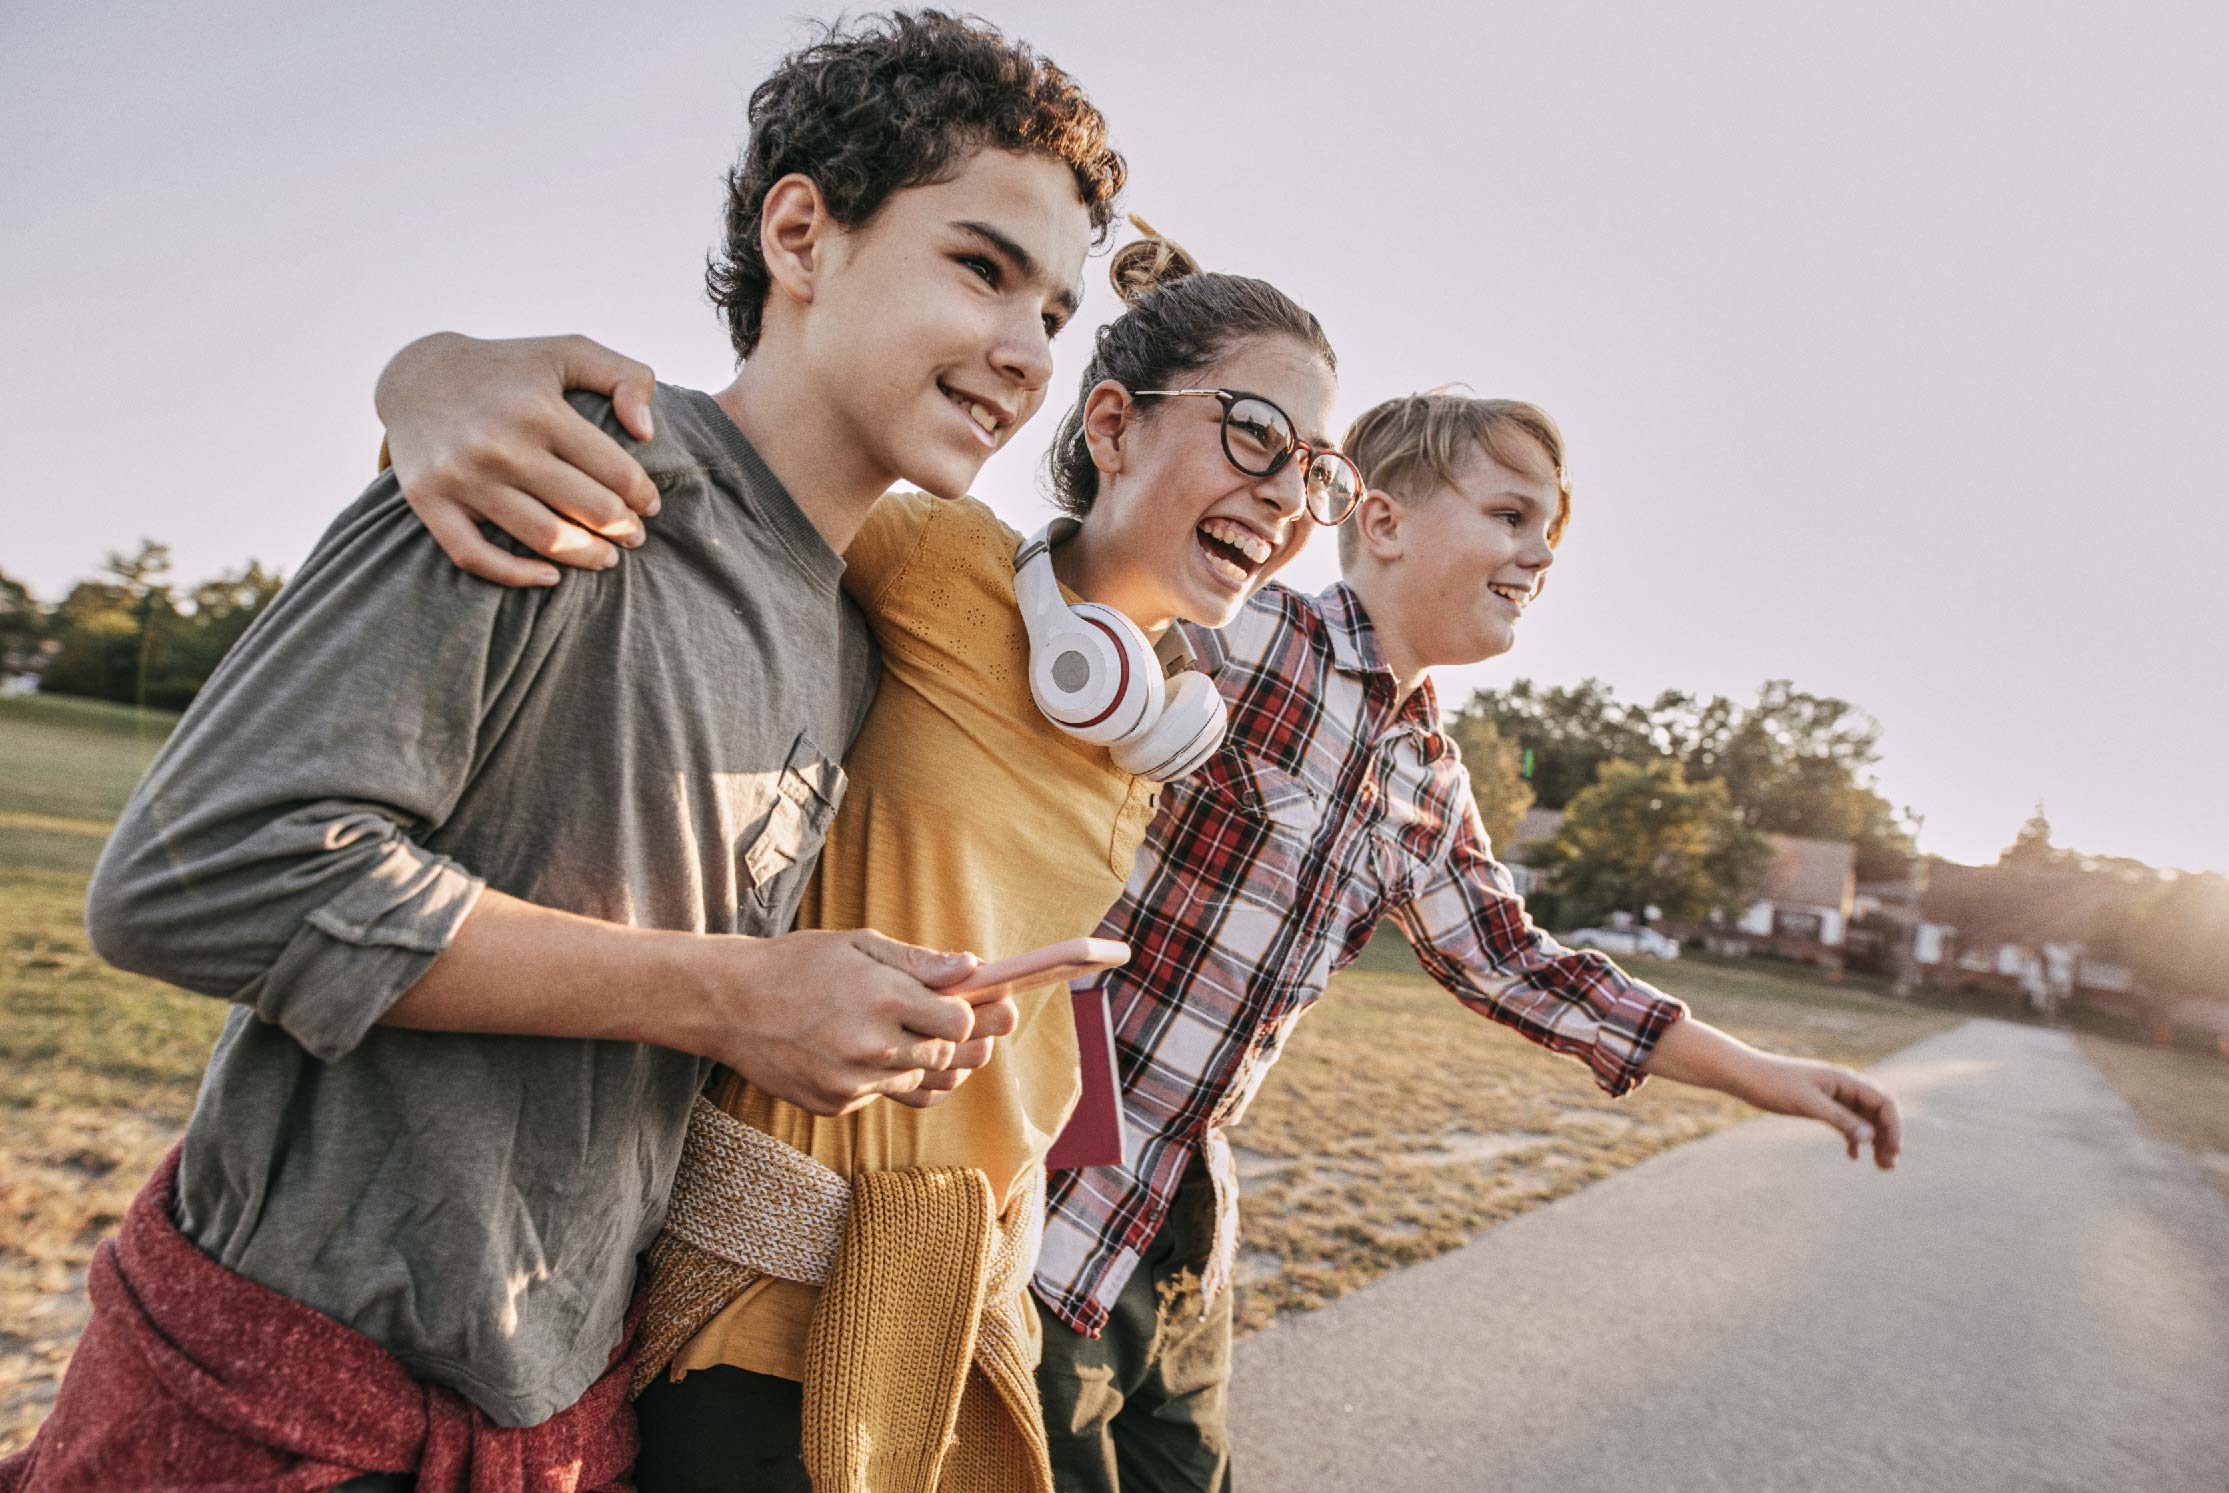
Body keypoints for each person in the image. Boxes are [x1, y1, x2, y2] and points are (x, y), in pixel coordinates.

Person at [374, 391, 1906, 1493]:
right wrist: (456, 382)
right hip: (1049, 1219)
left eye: (1553, 534)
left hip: (1186, 1233)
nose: (1538, 551)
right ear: (1373, 516)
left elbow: (1518, 961)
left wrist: (1768, 1069)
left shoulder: (1429, 768)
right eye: (1510, 514)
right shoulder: (1234, 643)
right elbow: (1010, 574)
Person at [1, 14, 1122, 1493]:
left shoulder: (857, 637)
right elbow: (195, 875)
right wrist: (731, 996)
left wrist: (854, 1016)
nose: (1024, 351)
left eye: (1054, 308)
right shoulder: (559, 468)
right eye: (981, 267)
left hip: (568, 1416)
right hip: (284, 1397)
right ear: (803, 232)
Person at [380, 221, 1351, 1492]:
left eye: (1316, 470)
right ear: (1109, 425)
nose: (1287, 494)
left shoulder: (1157, 724)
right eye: (1253, 437)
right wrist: (431, 373)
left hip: (963, 1311)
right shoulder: (943, 561)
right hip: (767, 1304)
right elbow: (715, 458)